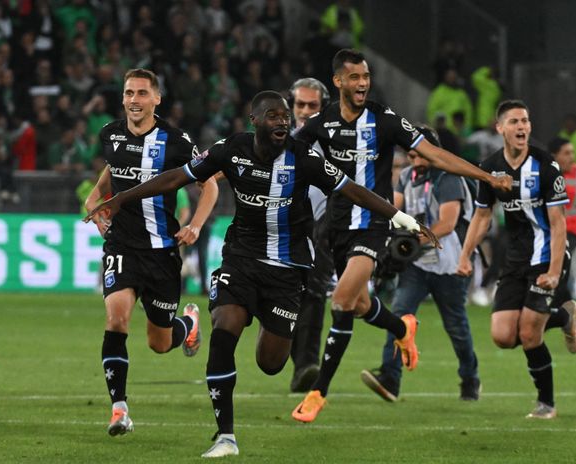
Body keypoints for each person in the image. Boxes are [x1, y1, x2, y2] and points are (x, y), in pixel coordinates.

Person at [85, 90, 436, 457]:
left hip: (288, 270)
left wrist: (401, 218)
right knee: (223, 330)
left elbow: (352, 189)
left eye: (285, 116)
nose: (282, 121)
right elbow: (177, 177)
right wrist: (121, 198)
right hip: (240, 260)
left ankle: (309, 332)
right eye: (273, 115)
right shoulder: (230, 150)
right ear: (255, 121)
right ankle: (225, 436)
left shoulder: (304, 158)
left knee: (270, 363)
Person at [290, 49, 511, 424]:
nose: (363, 83)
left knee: (341, 302)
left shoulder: (383, 119)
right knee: (359, 306)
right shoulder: (321, 123)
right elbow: (282, 153)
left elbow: (435, 155)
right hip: (337, 229)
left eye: (366, 76)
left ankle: (316, 393)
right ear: (338, 82)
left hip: (374, 225)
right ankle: (401, 327)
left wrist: (487, 178)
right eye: (355, 77)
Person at [82, 68, 219, 437]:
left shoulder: (176, 141)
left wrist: (196, 225)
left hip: (162, 251)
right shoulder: (110, 134)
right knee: (116, 320)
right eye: (129, 93)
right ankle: (119, 410)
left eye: (142, 93)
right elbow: (109, 174)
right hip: (122, 245)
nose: (134, 100)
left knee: (159, 343)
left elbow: (209, 187)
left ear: (157, 98)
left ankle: (186, 326)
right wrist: (94, 201)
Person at [457, 100, 576, 419]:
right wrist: (465, 255)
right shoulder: (490, 167)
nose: (522, 127)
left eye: (525, 121)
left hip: (546, 254)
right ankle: (565, 318)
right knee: (502, 336)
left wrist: (555, 272)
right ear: (500, 129)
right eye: (514, 122)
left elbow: (557, 223)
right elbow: (482, 216)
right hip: (515, 259)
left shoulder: (545, 164)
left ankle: (546, 404)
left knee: (528, 333)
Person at [361, 125, 480, 402]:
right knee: (400, 317)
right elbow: (396, 212)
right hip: (417, 264)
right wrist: (392, 242)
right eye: (412, 156)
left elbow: (448, 223)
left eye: (422, 156)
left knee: (456, 327)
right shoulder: (405, 177)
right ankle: (390, 378)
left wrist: (411, 241)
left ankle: (470, 378)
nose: (417, 162)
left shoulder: (448, 177)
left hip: (449, 264)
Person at [288, 77, 332, 392]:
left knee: (314, 293)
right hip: (282, 229)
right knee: (282, 297)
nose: (304, 111)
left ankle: (306, 365)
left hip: (323, 227)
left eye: (312, 105)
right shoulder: (279, 140)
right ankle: (296, 361)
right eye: (300, 104)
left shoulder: (334, 145)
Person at [550, 137, 576, 299]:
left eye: (572, 153)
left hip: (574, 229)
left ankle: (573, 300)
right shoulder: (546, 174)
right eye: (566, 153)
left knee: (567, 265)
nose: (571, 157)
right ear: (554, 156)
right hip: (553, 229)